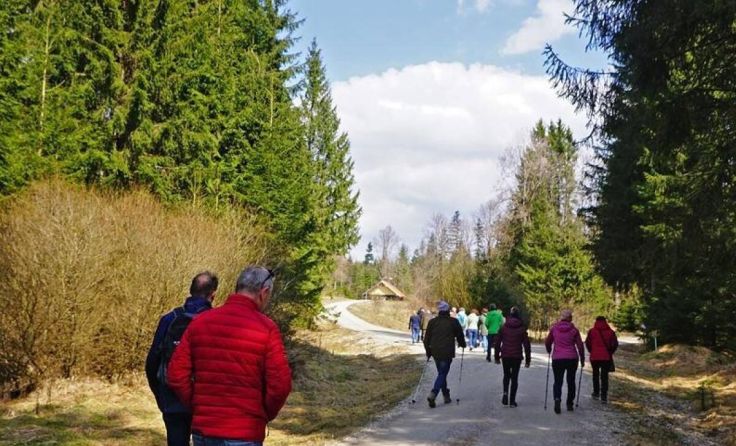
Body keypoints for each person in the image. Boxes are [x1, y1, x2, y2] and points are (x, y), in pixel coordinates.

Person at [167, 266, 292, 446]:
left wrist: (197, 406)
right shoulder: (267, 329)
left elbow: (176, 375)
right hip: (245, 432)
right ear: (264, 293)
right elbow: (280, 385)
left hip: (205, 431)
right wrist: (263, 414)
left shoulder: (199, 323)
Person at [145, 272, 218, 446]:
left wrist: (160, 395)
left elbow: (152, 362)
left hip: (172, 398)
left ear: (190, 290)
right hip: (206, 402)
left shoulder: (169, 319)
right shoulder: (217, 321)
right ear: (213, 295)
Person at [423, 300, 466, 408]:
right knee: (442, 373)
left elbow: (426, 339)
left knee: (441, 373)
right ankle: (433, 393)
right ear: (448, 310)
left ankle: (446, 395)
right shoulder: (453, 321)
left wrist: (428, 352)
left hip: (435, 351)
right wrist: (462, 344)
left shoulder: (432, 322)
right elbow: (460, 335)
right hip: (447, 351)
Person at [545, 309, 585, 414]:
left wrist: (549, 350)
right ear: (570, 318)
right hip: (572, 359)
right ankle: (569, 403)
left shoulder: (554, 329)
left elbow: (548, 342)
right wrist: (582, 358)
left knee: (558, 381)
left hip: (557, 359)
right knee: (571, 381)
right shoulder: (574, 330)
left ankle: (557, 399)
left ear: (561, 318)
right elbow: (580, 345)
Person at [494, 307, 531, 407]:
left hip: (505, 355)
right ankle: (512, 401)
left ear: (509, 315)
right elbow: (527, 345)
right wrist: (528, 360)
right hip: (516, 356)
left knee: (506, 375)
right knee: (514, 378)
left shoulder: (504, 327)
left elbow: (497, 343)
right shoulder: (522, 329)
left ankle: (505, 393)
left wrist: (497, 357)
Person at [585, 316, 619, 404]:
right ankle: (604, 396)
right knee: (604, 377)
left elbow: (587, 343)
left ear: (596, 321)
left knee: (595, 375)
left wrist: (592, 351)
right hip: (606, 357)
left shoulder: (591, 331)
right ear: (605, 321)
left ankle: (596, 393)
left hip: (594, 357)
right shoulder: (611, 332)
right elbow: (615, 344)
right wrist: (610, 352)